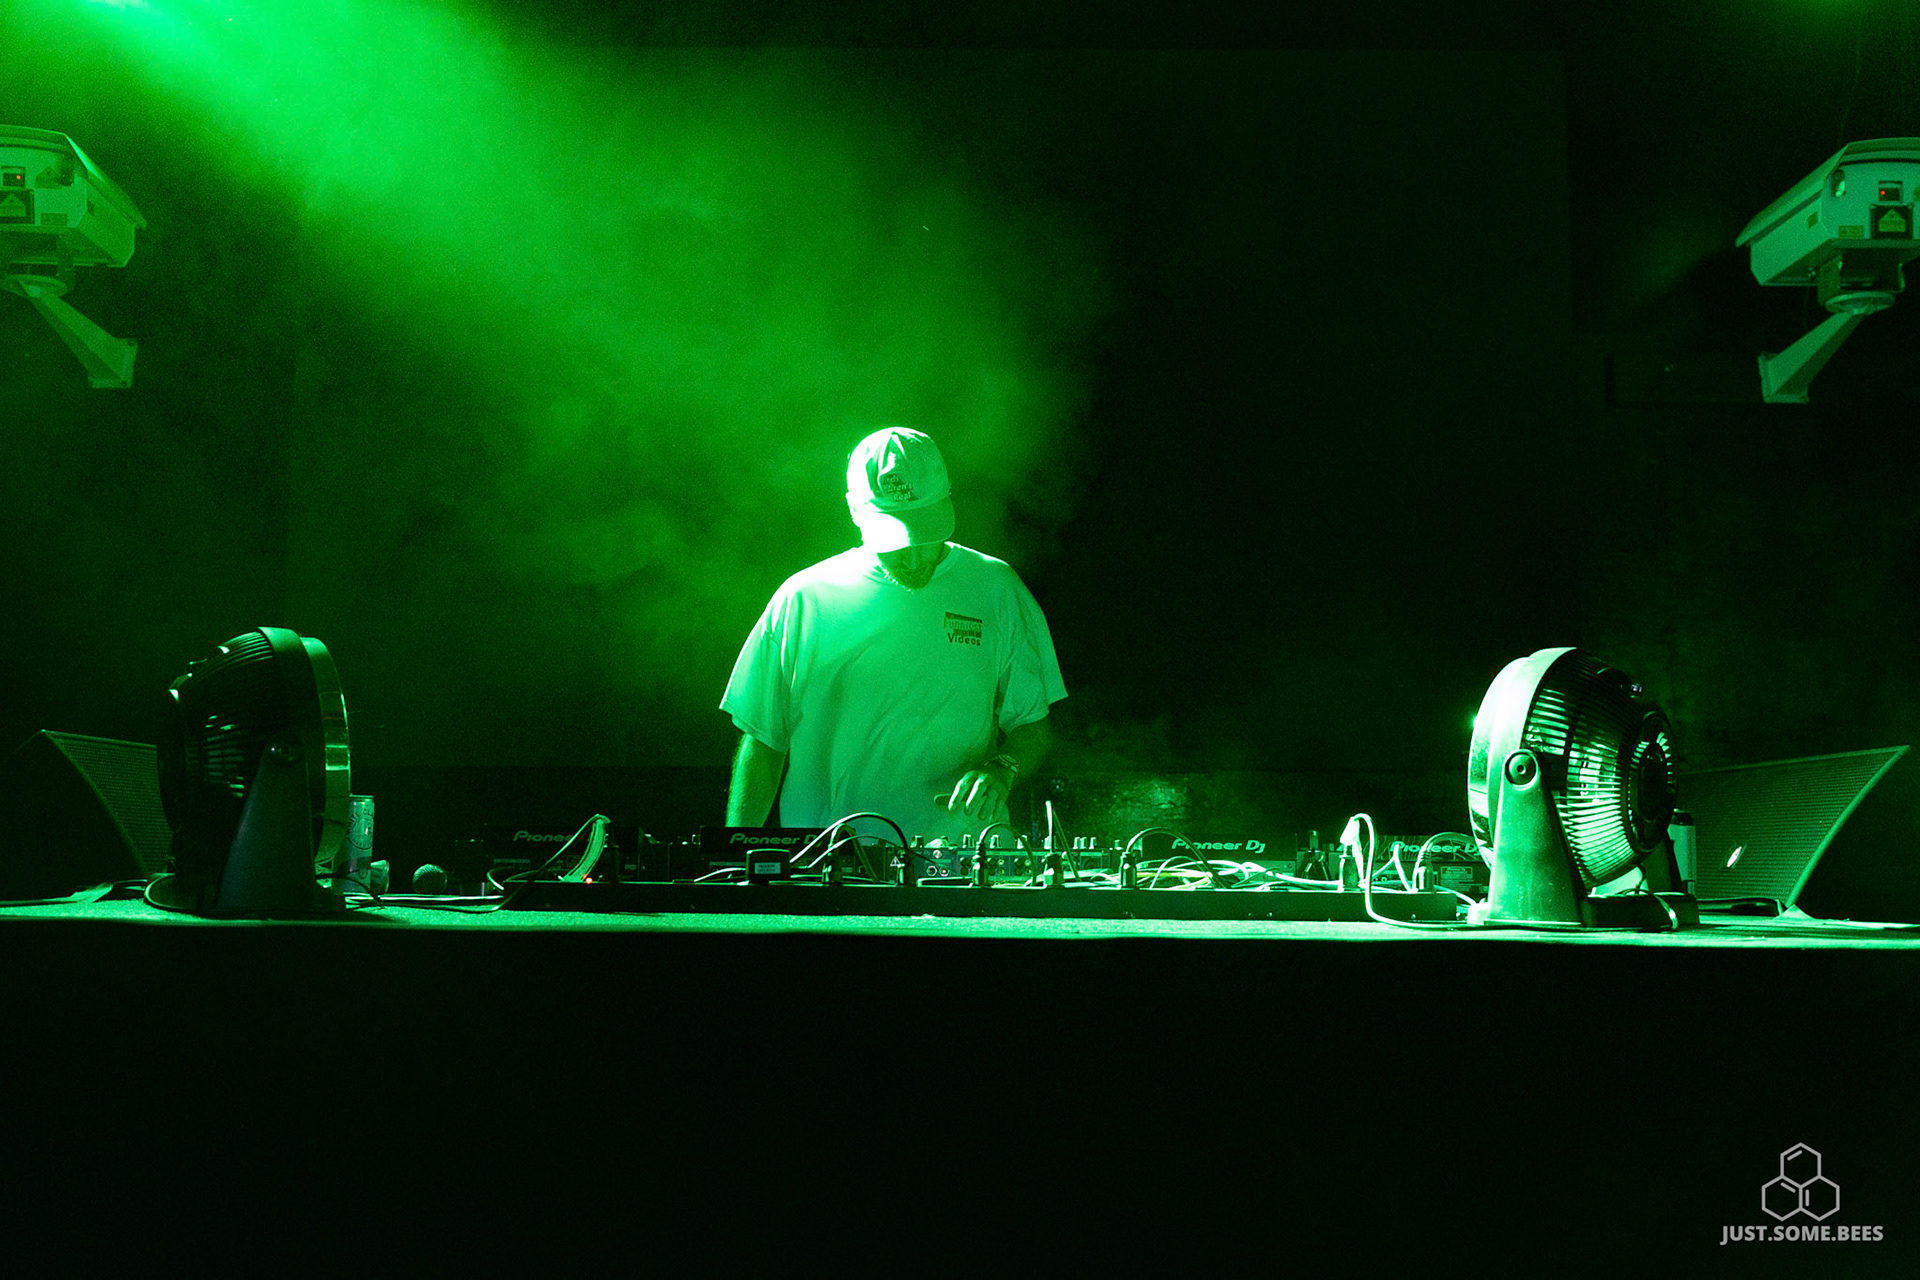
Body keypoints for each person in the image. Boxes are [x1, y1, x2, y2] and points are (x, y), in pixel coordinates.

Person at [720, 427, 1066, 845]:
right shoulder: (805, 599)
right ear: (855, 511)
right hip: (830, 858)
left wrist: (1003, 767)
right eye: (897, 540)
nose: (916, 558)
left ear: (948, 502)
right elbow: (763, 739)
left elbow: (1032, 725)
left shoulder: (996, 588)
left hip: (960, 858)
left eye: (927, 534)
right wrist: (731, 855)